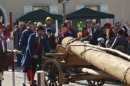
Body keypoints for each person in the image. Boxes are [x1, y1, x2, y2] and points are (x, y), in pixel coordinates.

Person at [19, 21, 35, 86]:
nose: (31, 26)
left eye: (32, 25)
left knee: (32, 67)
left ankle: (31, 80)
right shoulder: (25, 32)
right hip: (27, 51)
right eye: (30, 25)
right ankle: (24, 82)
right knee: (26, 66)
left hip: (33, 51)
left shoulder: (34, 32)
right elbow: (21, 40)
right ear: (27, 26)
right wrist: (23, 48)